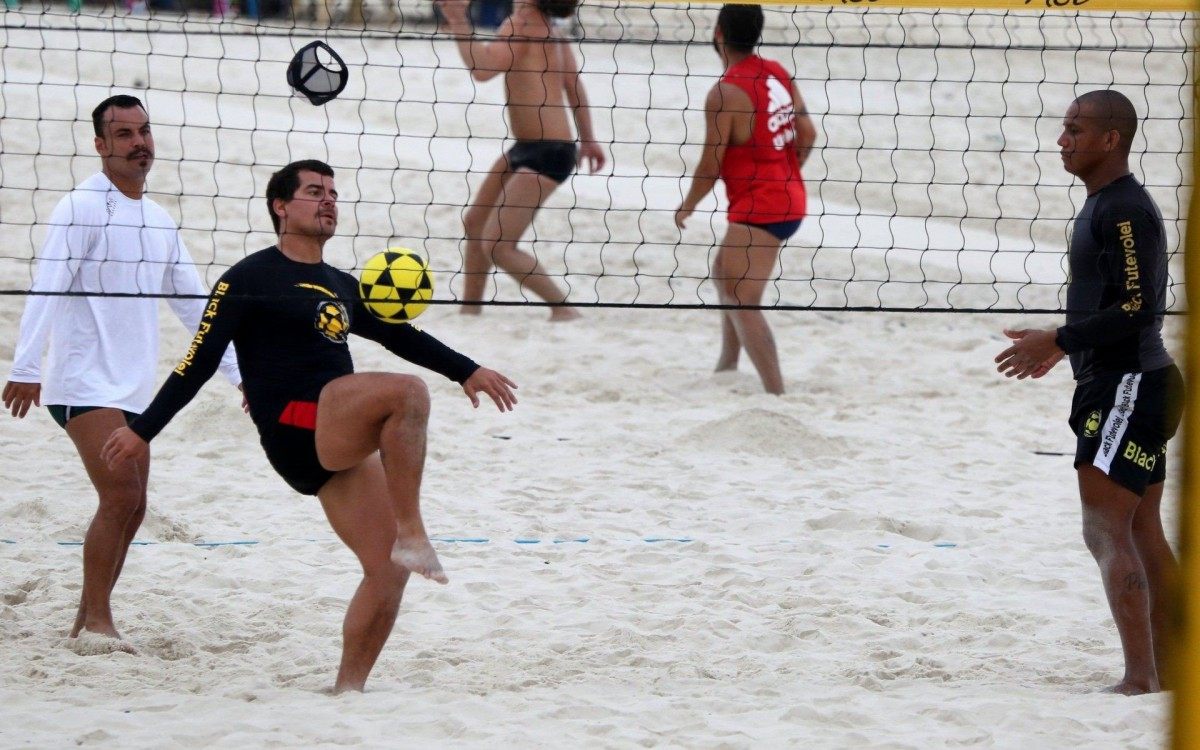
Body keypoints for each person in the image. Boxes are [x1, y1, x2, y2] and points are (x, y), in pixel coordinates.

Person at [101, 159, 518, 693]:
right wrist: (143, 429)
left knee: (387, 568)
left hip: (332, 435)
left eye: (334, 194)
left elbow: (401, 336)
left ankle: (347, 690)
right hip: (294, 422)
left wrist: (468, 370)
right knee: (406, 393)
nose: (328, 202)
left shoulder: (340, 283)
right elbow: (198, 361)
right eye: (314, 192)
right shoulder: (248, 278)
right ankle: (414, 531)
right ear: (280, 206)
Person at [3, 95, 242, 647]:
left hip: (135, 388)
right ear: (101, 146)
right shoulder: (80, 206)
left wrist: (239, 375)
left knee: (133, 505)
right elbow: (48, 283)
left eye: (145, 131)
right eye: (125, 134)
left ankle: (85, 619)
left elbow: (195, 305)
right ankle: (98, 621)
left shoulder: (158, 220)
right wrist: (25, 365)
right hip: (82, 381)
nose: (140, 143)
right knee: (119, 498)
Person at [994, 90, 1184, 695]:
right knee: (1142, 529)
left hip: (1129, 385)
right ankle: (1172, 669)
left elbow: (1138, 307)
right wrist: (1065, 344)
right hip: (1127, 381)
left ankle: (1139, 677)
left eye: (1075, 130)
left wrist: (1061, 338)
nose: (1062, 140)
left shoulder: (1124, 210)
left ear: (1112, 140)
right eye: (1063, 129)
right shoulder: (1107, 204)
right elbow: (1118, 304)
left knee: (1107, 532)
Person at [675, 4, 816, 395]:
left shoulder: (725, 93)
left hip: (763, 204)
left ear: (718, 32)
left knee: (743, 297)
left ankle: (776, 392)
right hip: (787, 195)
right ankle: (728, 365)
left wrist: (687, 205)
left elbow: (710, 164)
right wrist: (785, 171)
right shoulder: (777, 72)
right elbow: (808, 133)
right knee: (724, 271)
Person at [437, 0, 606, 320]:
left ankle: (563, 309)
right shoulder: (551, 30)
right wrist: (588, 139)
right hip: (529, 146)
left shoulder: (523, 24)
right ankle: (469, 309)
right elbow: (575, 87)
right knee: (475, 222)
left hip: (549, 152)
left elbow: (483, 69)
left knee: (499, 245)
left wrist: (459, 21)